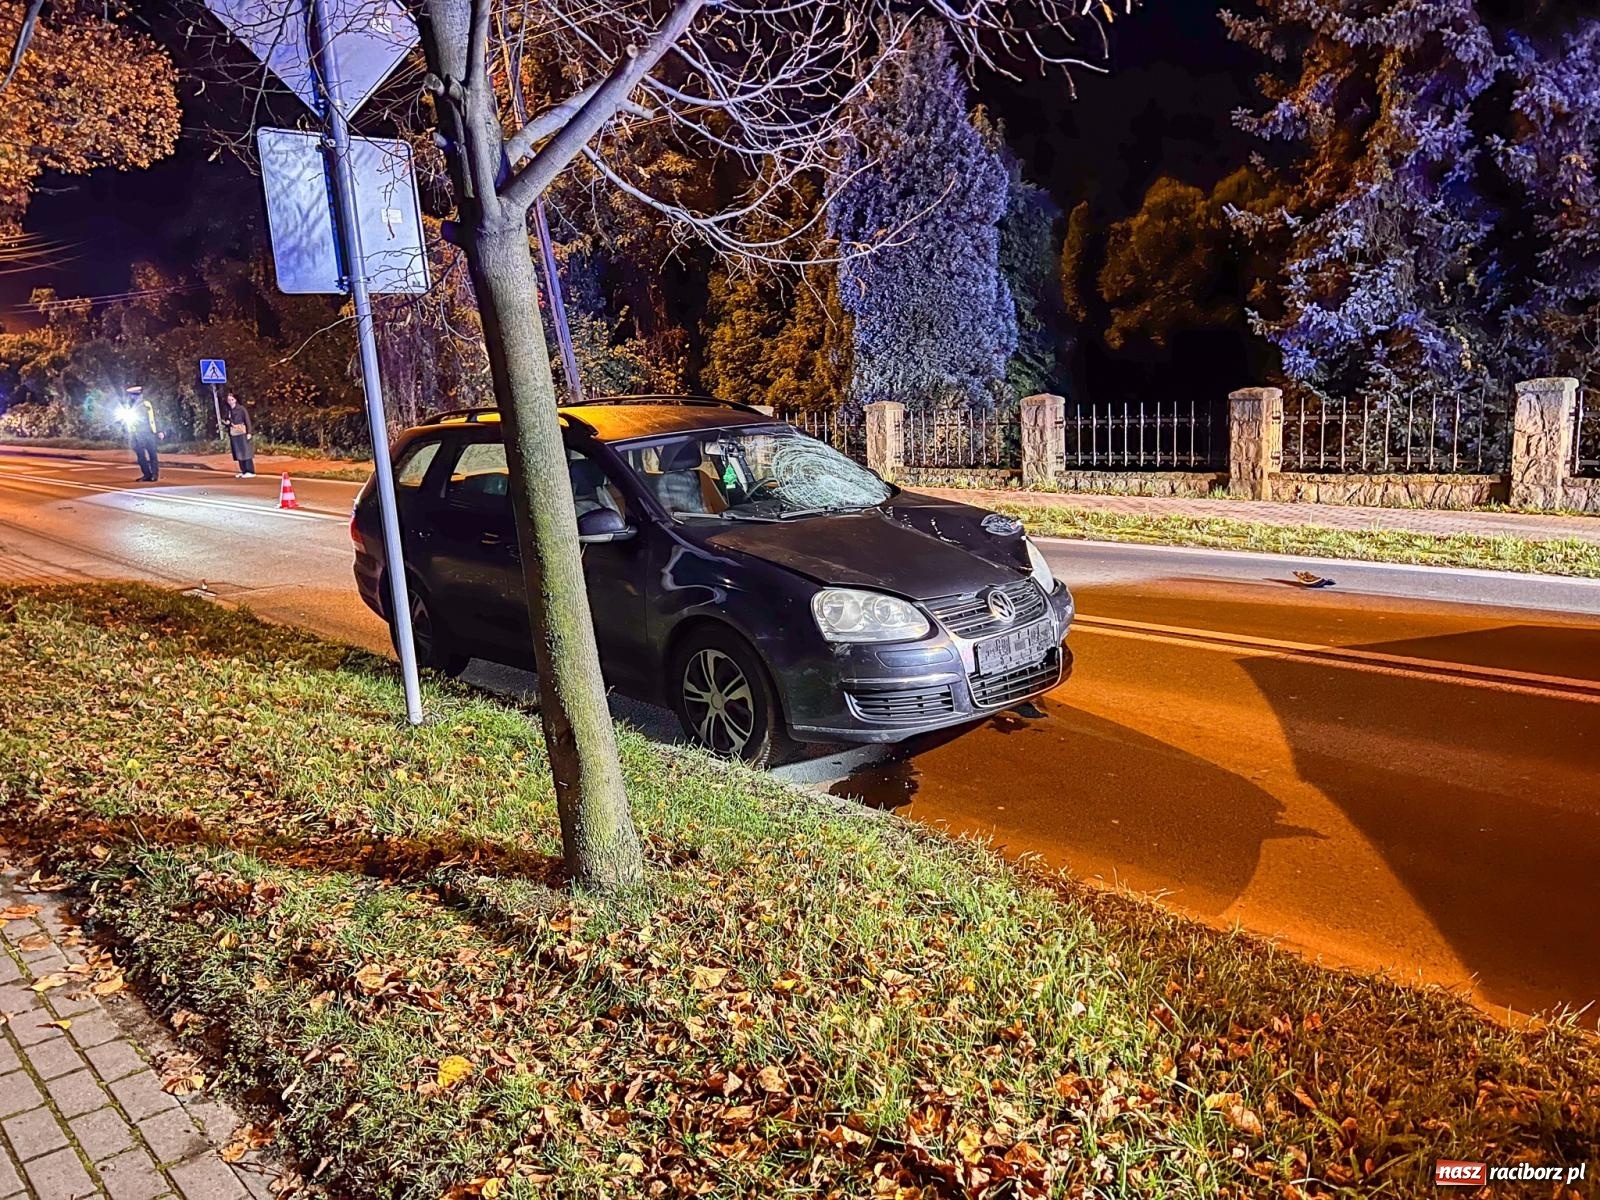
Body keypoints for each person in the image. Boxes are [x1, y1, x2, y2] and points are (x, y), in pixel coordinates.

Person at [127, 390, 161, 482]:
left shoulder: (147, 405)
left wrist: (159, 430)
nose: (134, 397)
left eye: (137, 395)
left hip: (148, 433)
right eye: (133, 395)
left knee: (152, 454)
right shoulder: (129, 406)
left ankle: (154, 475)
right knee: (140, 456)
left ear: (141, 395)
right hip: (136, 434)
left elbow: (155, 418)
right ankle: (146, 474)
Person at [225, 392, 255, 477]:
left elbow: (247, 420)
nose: (230, 401)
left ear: (236, 400)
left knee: (246, 451)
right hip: (234, 433)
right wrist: (228, 422)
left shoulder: (241, 409)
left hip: (242, 432)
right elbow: (228, 420)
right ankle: (243, 471)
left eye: (232, 399)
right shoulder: (229, 410)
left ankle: (250, 471)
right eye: (229, 400)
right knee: (238, 452)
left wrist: (249, 432)